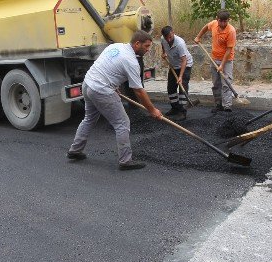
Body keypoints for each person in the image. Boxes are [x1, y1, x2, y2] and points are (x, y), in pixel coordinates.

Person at [67, 31, 163, 170]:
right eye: (146, 46)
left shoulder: (116, 47)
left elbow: (107, 67)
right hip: (101, 89)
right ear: (137, 44)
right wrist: (152, 110)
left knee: (89, 118)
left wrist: (115, 86)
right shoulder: (131, 61)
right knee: (122, 123)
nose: (148, 50)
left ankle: (75, 150)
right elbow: (139, 91)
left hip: (88, 83)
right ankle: (125, 161)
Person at [194, 9, 237, 113]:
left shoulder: (231, 31)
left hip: (226, 61)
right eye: (220, 21)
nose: (222, 23)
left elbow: (229, 50)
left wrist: (222, 65)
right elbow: (205, 27)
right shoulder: (213, 24)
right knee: (216, 83)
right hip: (214, 58)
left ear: (228, 20)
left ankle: (227, 106)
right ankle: (218, 105)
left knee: (226, 83)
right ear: (217, 19)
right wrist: (198, 36)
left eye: (225, 21)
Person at [160, 25, 193, 119]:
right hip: (174, 65)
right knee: (171, 87)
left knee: (182, 87)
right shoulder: (163, 39)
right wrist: (164, 52)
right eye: (167, 38)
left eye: (170, 37)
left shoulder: (180, 43)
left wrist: (180, 76)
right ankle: (175, 108)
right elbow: (163, 44)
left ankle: (183, 111)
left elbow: (184, 60)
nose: (169, 40)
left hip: (185, 65)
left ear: (173, 33)